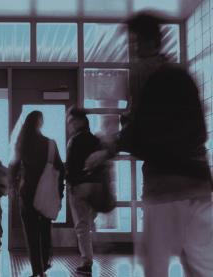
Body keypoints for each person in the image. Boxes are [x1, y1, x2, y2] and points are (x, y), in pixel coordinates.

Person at [85, 12, 213, 277]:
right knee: (202, 267)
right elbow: (198, 131)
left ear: (150, 44)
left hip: (165, 188)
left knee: (156, 268)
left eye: (134, 45)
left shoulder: (145, 75)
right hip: (199, 187)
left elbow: (143, 135)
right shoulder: (183, 76)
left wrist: (111, 146)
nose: (131, 53)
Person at [10, 111, 65, 277]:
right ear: (40, 123)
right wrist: (60, 195)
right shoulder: (50, 144)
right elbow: (61, 170)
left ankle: (37, 271)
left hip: (27, 194)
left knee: (31, 234)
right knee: (45, 229)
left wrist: (13, 188)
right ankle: (44, 264)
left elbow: (13, 168)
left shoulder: (22, 144)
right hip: (46, 194)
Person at [66, 107, 102, 276]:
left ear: (79, 121)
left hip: (79, 186)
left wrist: (69, 184)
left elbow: (71, 167)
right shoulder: (96, 141)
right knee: (88, 223)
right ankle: (95, 251)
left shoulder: (74, 141)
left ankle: (86, 262)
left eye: (71, 121)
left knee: (82, 226)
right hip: (95, 187)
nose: (70, 125)